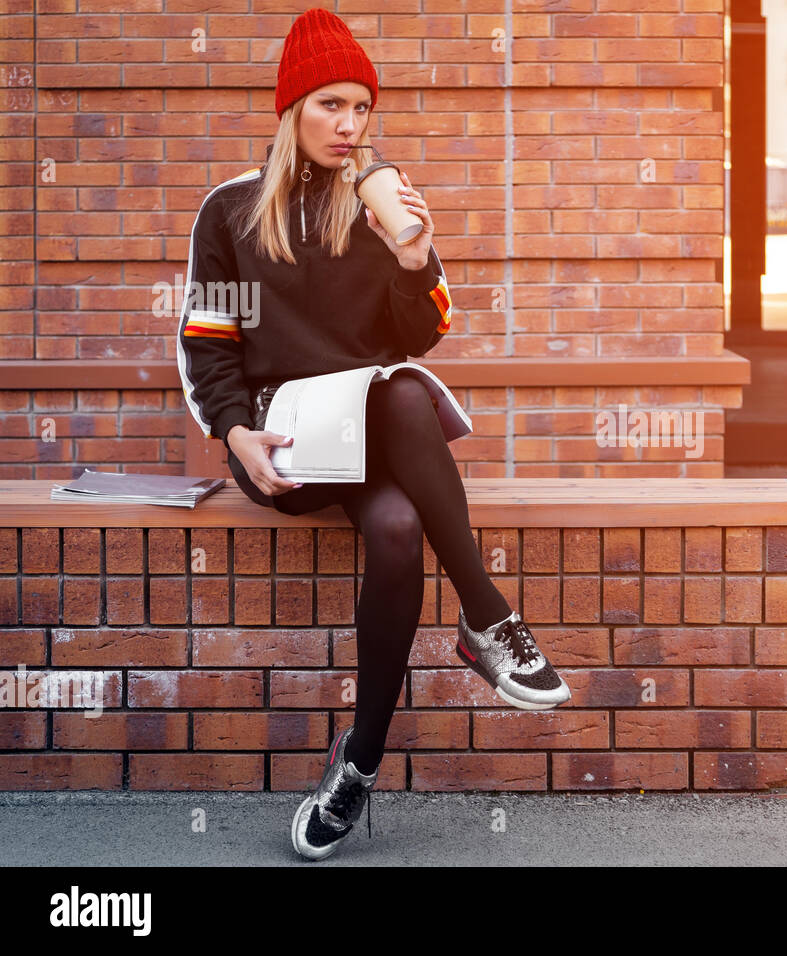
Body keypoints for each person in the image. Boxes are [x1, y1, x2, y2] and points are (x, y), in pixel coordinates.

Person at [175, 7, 570, 862]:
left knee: (397, 511)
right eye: (331, 105)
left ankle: (356, 763)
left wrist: (413, 257)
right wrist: (235, 434)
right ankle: (488, 613)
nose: (350, 125)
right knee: (399, 399)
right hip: (285, 438)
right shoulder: (234, 212)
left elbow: (422, 333)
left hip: (377, 424)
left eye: (361, 107)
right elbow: (209, 344)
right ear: (292, 110)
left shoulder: (380, 203)